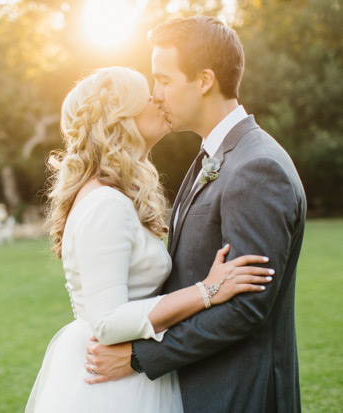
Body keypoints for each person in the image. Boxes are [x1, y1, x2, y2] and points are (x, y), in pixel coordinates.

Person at [85, 17, 306, 413]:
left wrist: (139, 356)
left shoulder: (257, 168)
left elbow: (246, 307)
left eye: (164, 80)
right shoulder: (213, 156)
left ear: (204, 80)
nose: (156, 94)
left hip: (237, 392)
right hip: (201, 385)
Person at [25, 66, 274, 413]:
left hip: (133, 371)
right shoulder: (105, 204)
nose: (158, 98)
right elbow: (108, 322)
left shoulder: (114, 195)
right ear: (119, 118)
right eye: (146, 97)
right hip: (112, 385)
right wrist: (207, 290)